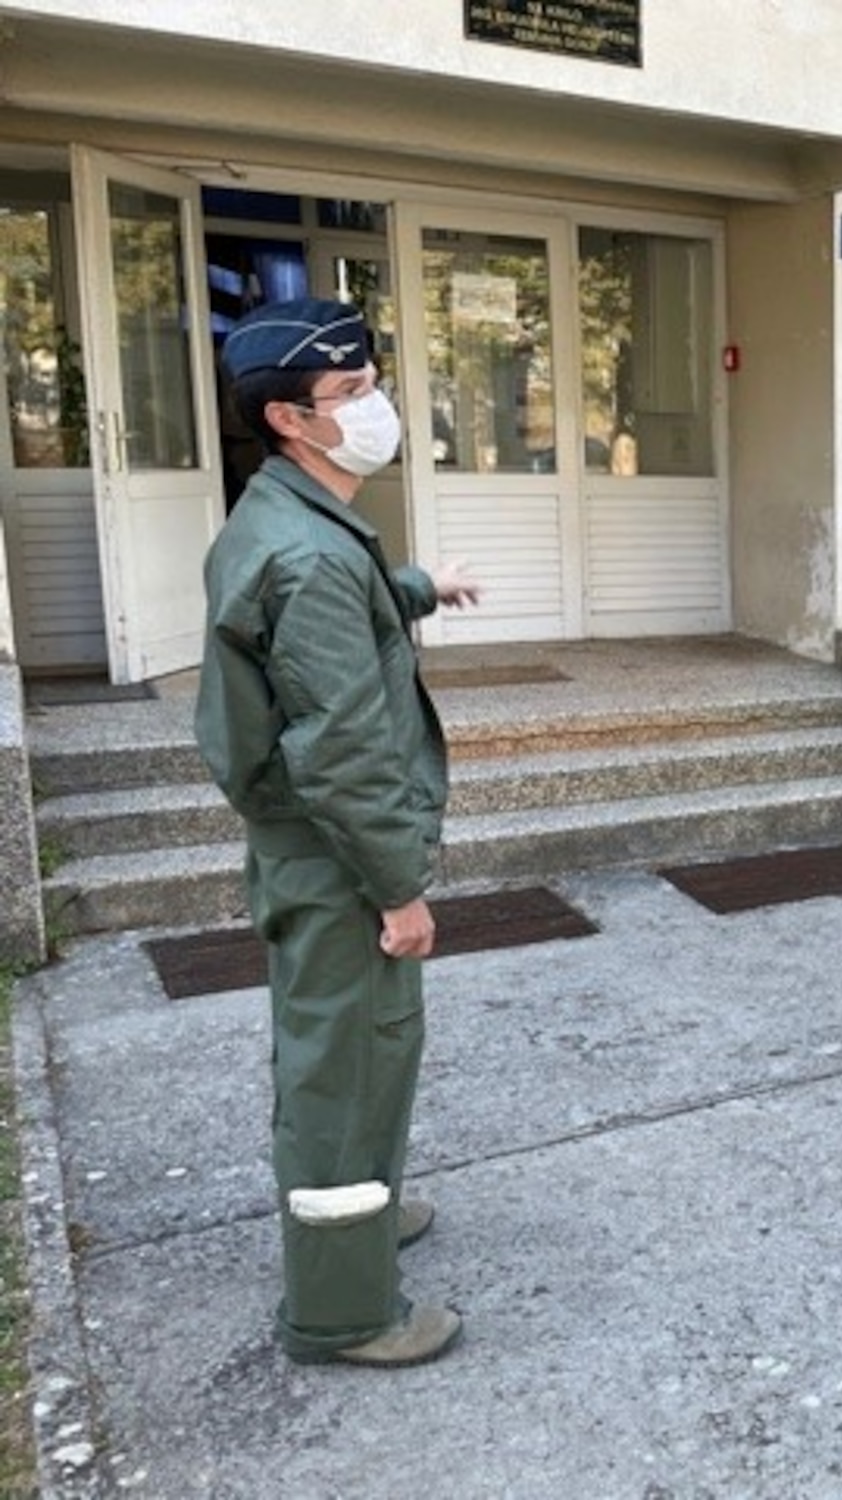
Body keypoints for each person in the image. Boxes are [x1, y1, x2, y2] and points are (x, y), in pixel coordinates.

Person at [196, 297, 481, 1366]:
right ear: (287, 419)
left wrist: (417, 587)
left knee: (364, 1054)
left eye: (371, 385)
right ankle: (343, 1308)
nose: (375, 409)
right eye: (349, 396)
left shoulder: (294, 523)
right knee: (339, 1076)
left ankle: (366, 1214)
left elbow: (325, 616)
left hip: (318, 850)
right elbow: (342, 752)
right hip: (338, 859)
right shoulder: (307, 555)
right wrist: (400, 892)